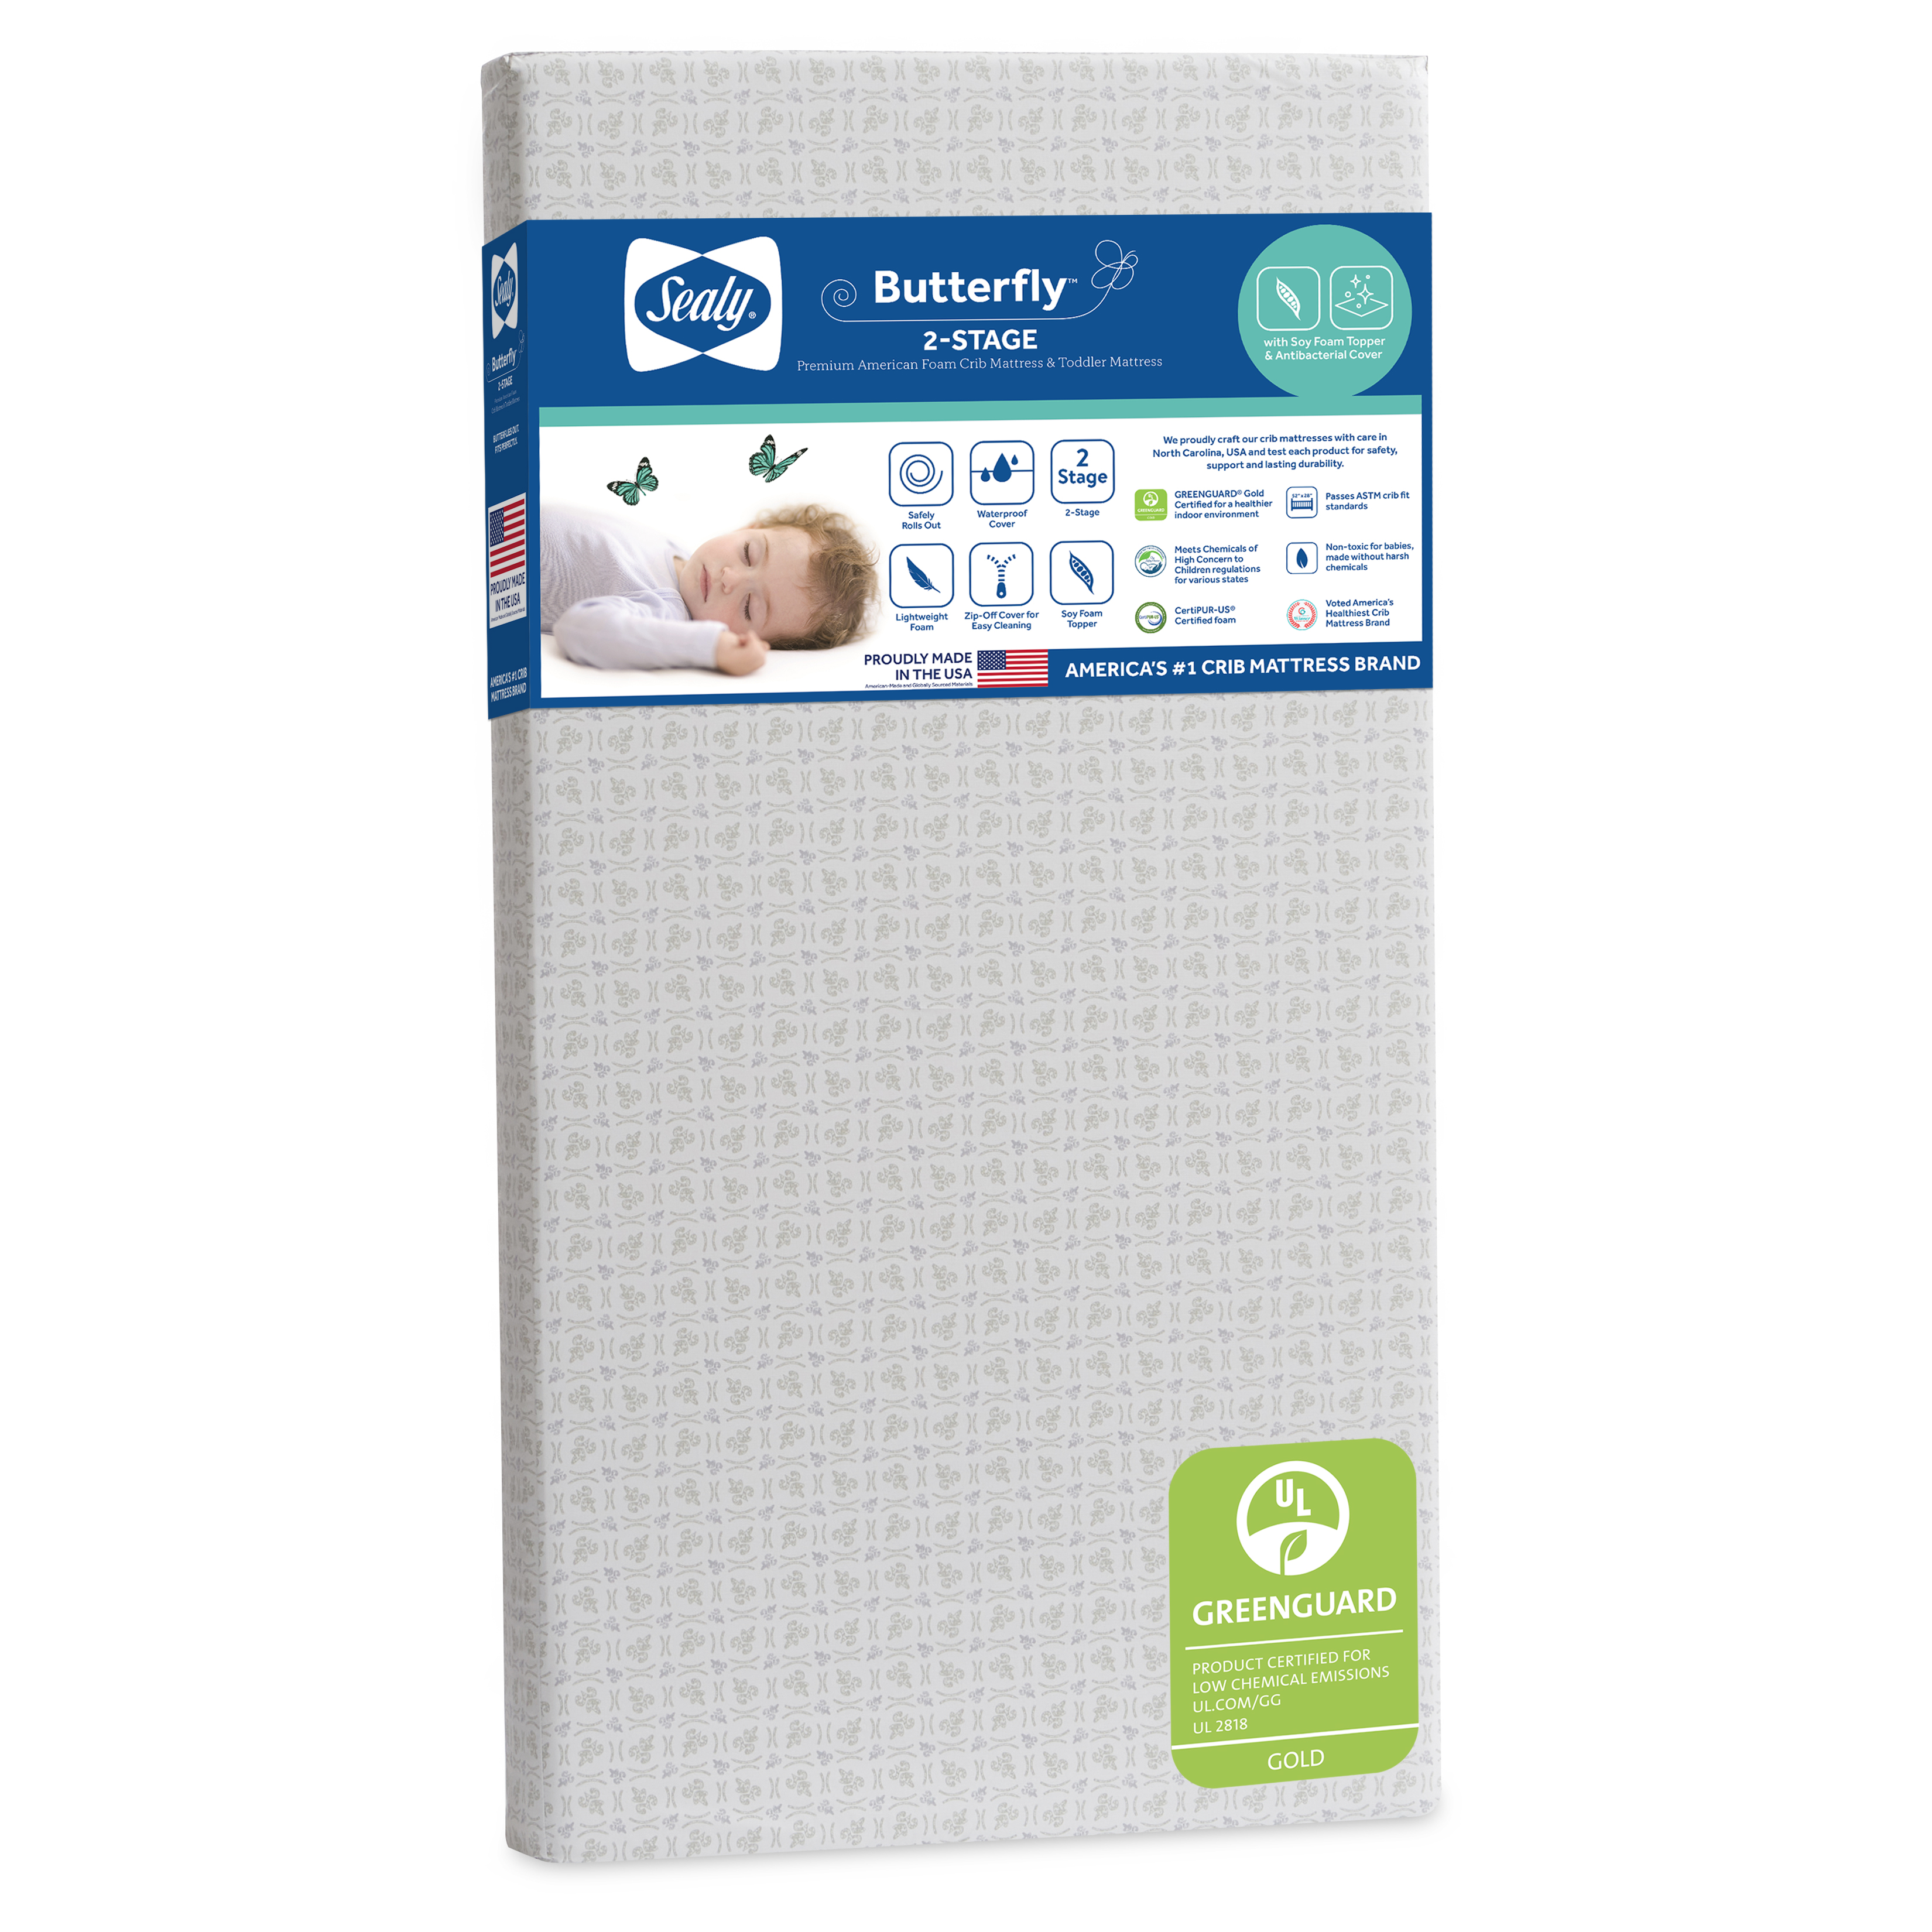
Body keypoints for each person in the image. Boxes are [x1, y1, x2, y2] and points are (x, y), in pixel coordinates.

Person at [541, 500, 875, 676]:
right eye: (748, 553)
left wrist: (711, 648)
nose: (731, 579)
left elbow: (578, 629)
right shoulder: (677, 551)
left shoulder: (664, 610)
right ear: (749, 528)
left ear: (747, 638)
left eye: (749, 608)